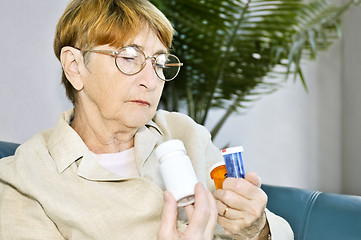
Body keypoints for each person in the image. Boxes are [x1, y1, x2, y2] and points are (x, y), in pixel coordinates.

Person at [0, 0, 293, 239]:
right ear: (75, 67)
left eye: (159, 62)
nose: (151, 81)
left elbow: (271, 231)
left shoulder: (184, 133)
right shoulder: (23, 179)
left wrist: (257, 228)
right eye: (129, 57)